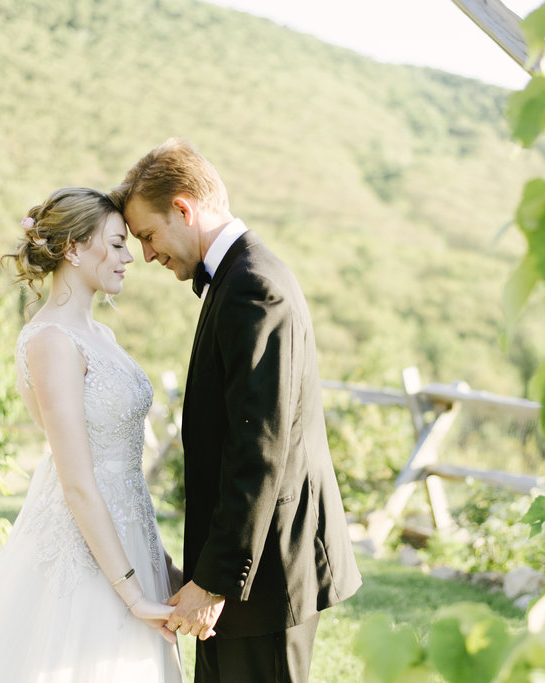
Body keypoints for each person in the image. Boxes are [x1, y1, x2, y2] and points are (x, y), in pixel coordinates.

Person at [0, 187, 185, 682]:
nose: (129, 257)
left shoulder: (104, 337)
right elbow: (77, 479)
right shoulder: (51, 341)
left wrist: (162, 567)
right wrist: (133, 595)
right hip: (83, 548)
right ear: (73, 249)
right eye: (116, 244)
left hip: (131, 536)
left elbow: (126, 472)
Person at [111, 139, 363, 682]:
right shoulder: (235, 279)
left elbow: (259, 450)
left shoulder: (254, 287)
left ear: (183, 208)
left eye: (149, 235)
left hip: (268, 574)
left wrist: (216, 581)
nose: (148, 254)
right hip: (245, 574)